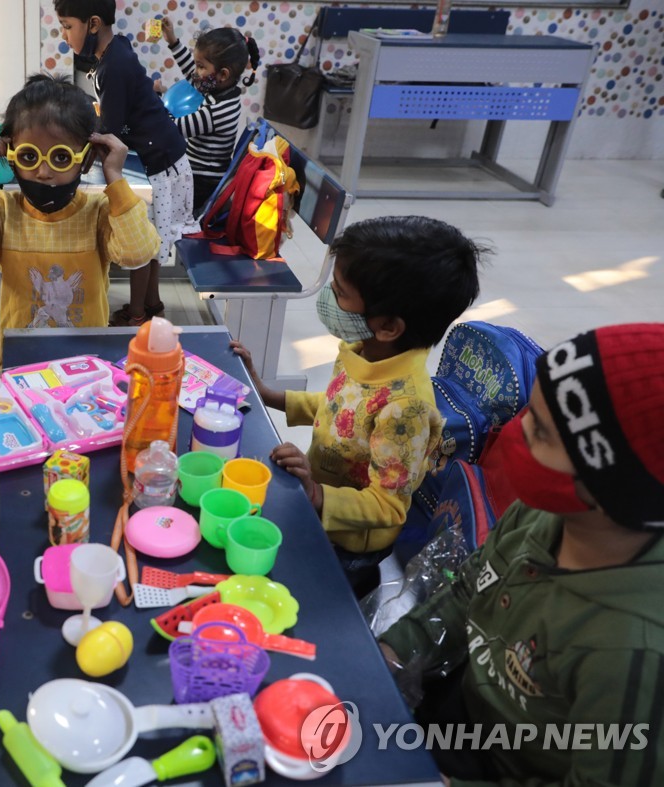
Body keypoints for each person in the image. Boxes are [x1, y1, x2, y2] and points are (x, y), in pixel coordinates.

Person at [378, 323, 664, 785]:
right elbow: (473, 583)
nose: (516, 432)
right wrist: (394, 651)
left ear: (614, 485)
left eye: (542, 432)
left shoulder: (633, 650)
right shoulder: (544, 513)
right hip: (467, 706)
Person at [233, 216, 483, 596]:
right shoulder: (362, 349)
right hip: (318, 502)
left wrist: (316, 494)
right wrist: (268, 394)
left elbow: (387, 506)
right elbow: (340, 409)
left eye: (340, 292)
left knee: (321, 600)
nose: (329, 299)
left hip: (348, 544)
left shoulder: (405, 407)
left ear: (387, 326)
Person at [0, 74, 158, 332]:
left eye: (60, 157)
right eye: (29, 156)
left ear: (85, 160)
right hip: (19, 358)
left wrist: (115, 178)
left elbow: (138, 253)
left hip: (85, 360)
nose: (43, 171)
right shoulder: (1, 211)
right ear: (10, 154)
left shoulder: (99, 212)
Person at [54, 0, 194, 327]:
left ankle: (136, 315)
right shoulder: (116, 50)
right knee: (153, 239)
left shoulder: (112, 67)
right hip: (167, 155)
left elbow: (111, 133)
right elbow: (117, 119)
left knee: (141, 242)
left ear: (92, 24)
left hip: (160, 162)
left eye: (67, 26)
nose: (64, 35)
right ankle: (153, 303)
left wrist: (76, 163)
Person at [157, 19, 260, 217]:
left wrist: (152, 99)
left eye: (201, 66)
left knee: (164, 213)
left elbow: (172, 128)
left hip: (201, 183)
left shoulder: (218, 110)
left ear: (222, 74)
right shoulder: (220, 89)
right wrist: (172, 41)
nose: (196, 73)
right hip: (196, 174)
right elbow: (191, 73)